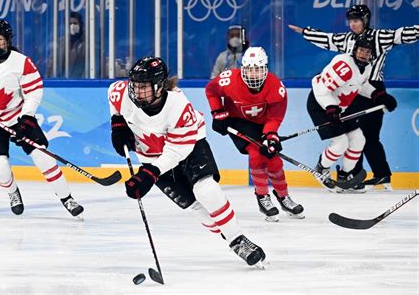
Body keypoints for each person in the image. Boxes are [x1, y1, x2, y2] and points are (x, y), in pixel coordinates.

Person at [108, 56, 265, 267]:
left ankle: (238, 239)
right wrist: (117, 123)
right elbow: (113, 93)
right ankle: (227, 234)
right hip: (151, 156)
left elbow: (176, 150)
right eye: (135, 85)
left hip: (188, 146)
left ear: (159, 86)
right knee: (195, 206)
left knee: (205, 190)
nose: (136, 91)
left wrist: (151, 173)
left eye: (143, 87)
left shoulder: (178, 106)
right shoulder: (123, 94)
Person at [0, 19, 84, 217]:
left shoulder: (21, 62)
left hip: (18, 117)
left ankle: (67, 198)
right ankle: (13, 192)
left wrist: (27, 117)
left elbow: (34, 91)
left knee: (43, 157)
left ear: (7, 40)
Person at [289, 4, 418, 191]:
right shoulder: (347, 46)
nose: (352, 24)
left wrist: (378, 94)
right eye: (350, 21)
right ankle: (346, 174)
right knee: (348, 137)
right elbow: (328, 39)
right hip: (344, 91)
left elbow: (402, 34)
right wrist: (306, 32)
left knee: (367, 136)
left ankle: (378, 174)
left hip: (368, 86)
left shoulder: (379, 37)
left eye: (356, 20)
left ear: (365, 20)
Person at [205, 46, 304, 222]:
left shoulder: (276, 87)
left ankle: (283, 197)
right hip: (237, 121)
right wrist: (217, 112)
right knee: (257, 155)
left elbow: (274, 117)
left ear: (265, 69)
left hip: (262, 124)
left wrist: (270, 136)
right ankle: (262, 196)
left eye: (258, 70)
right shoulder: (229, 80)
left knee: (274, 159)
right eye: (249, 69)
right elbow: (211, 90)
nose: (253, 74)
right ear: (243, 68)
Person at [307, 35, 397, 193]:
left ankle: (345, 176)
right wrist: (331, 108)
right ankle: (321, 169)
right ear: (355, 50)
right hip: (320, 104)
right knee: (341, 143)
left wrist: (378, 95)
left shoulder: (366, 68)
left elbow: (360, 86)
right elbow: (321, 90)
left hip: (338, 107)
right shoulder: (344, 66)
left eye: (367, 52)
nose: (364, 54)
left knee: (359, 140)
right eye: (361, 50)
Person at [47, 11, 86, 78]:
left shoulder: (87, 43)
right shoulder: (60, 42)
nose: (72, 26)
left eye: (75, 23)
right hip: (62, 82)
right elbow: (52, 63)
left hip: (80, 83)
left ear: (81, 25)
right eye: (70, 24)